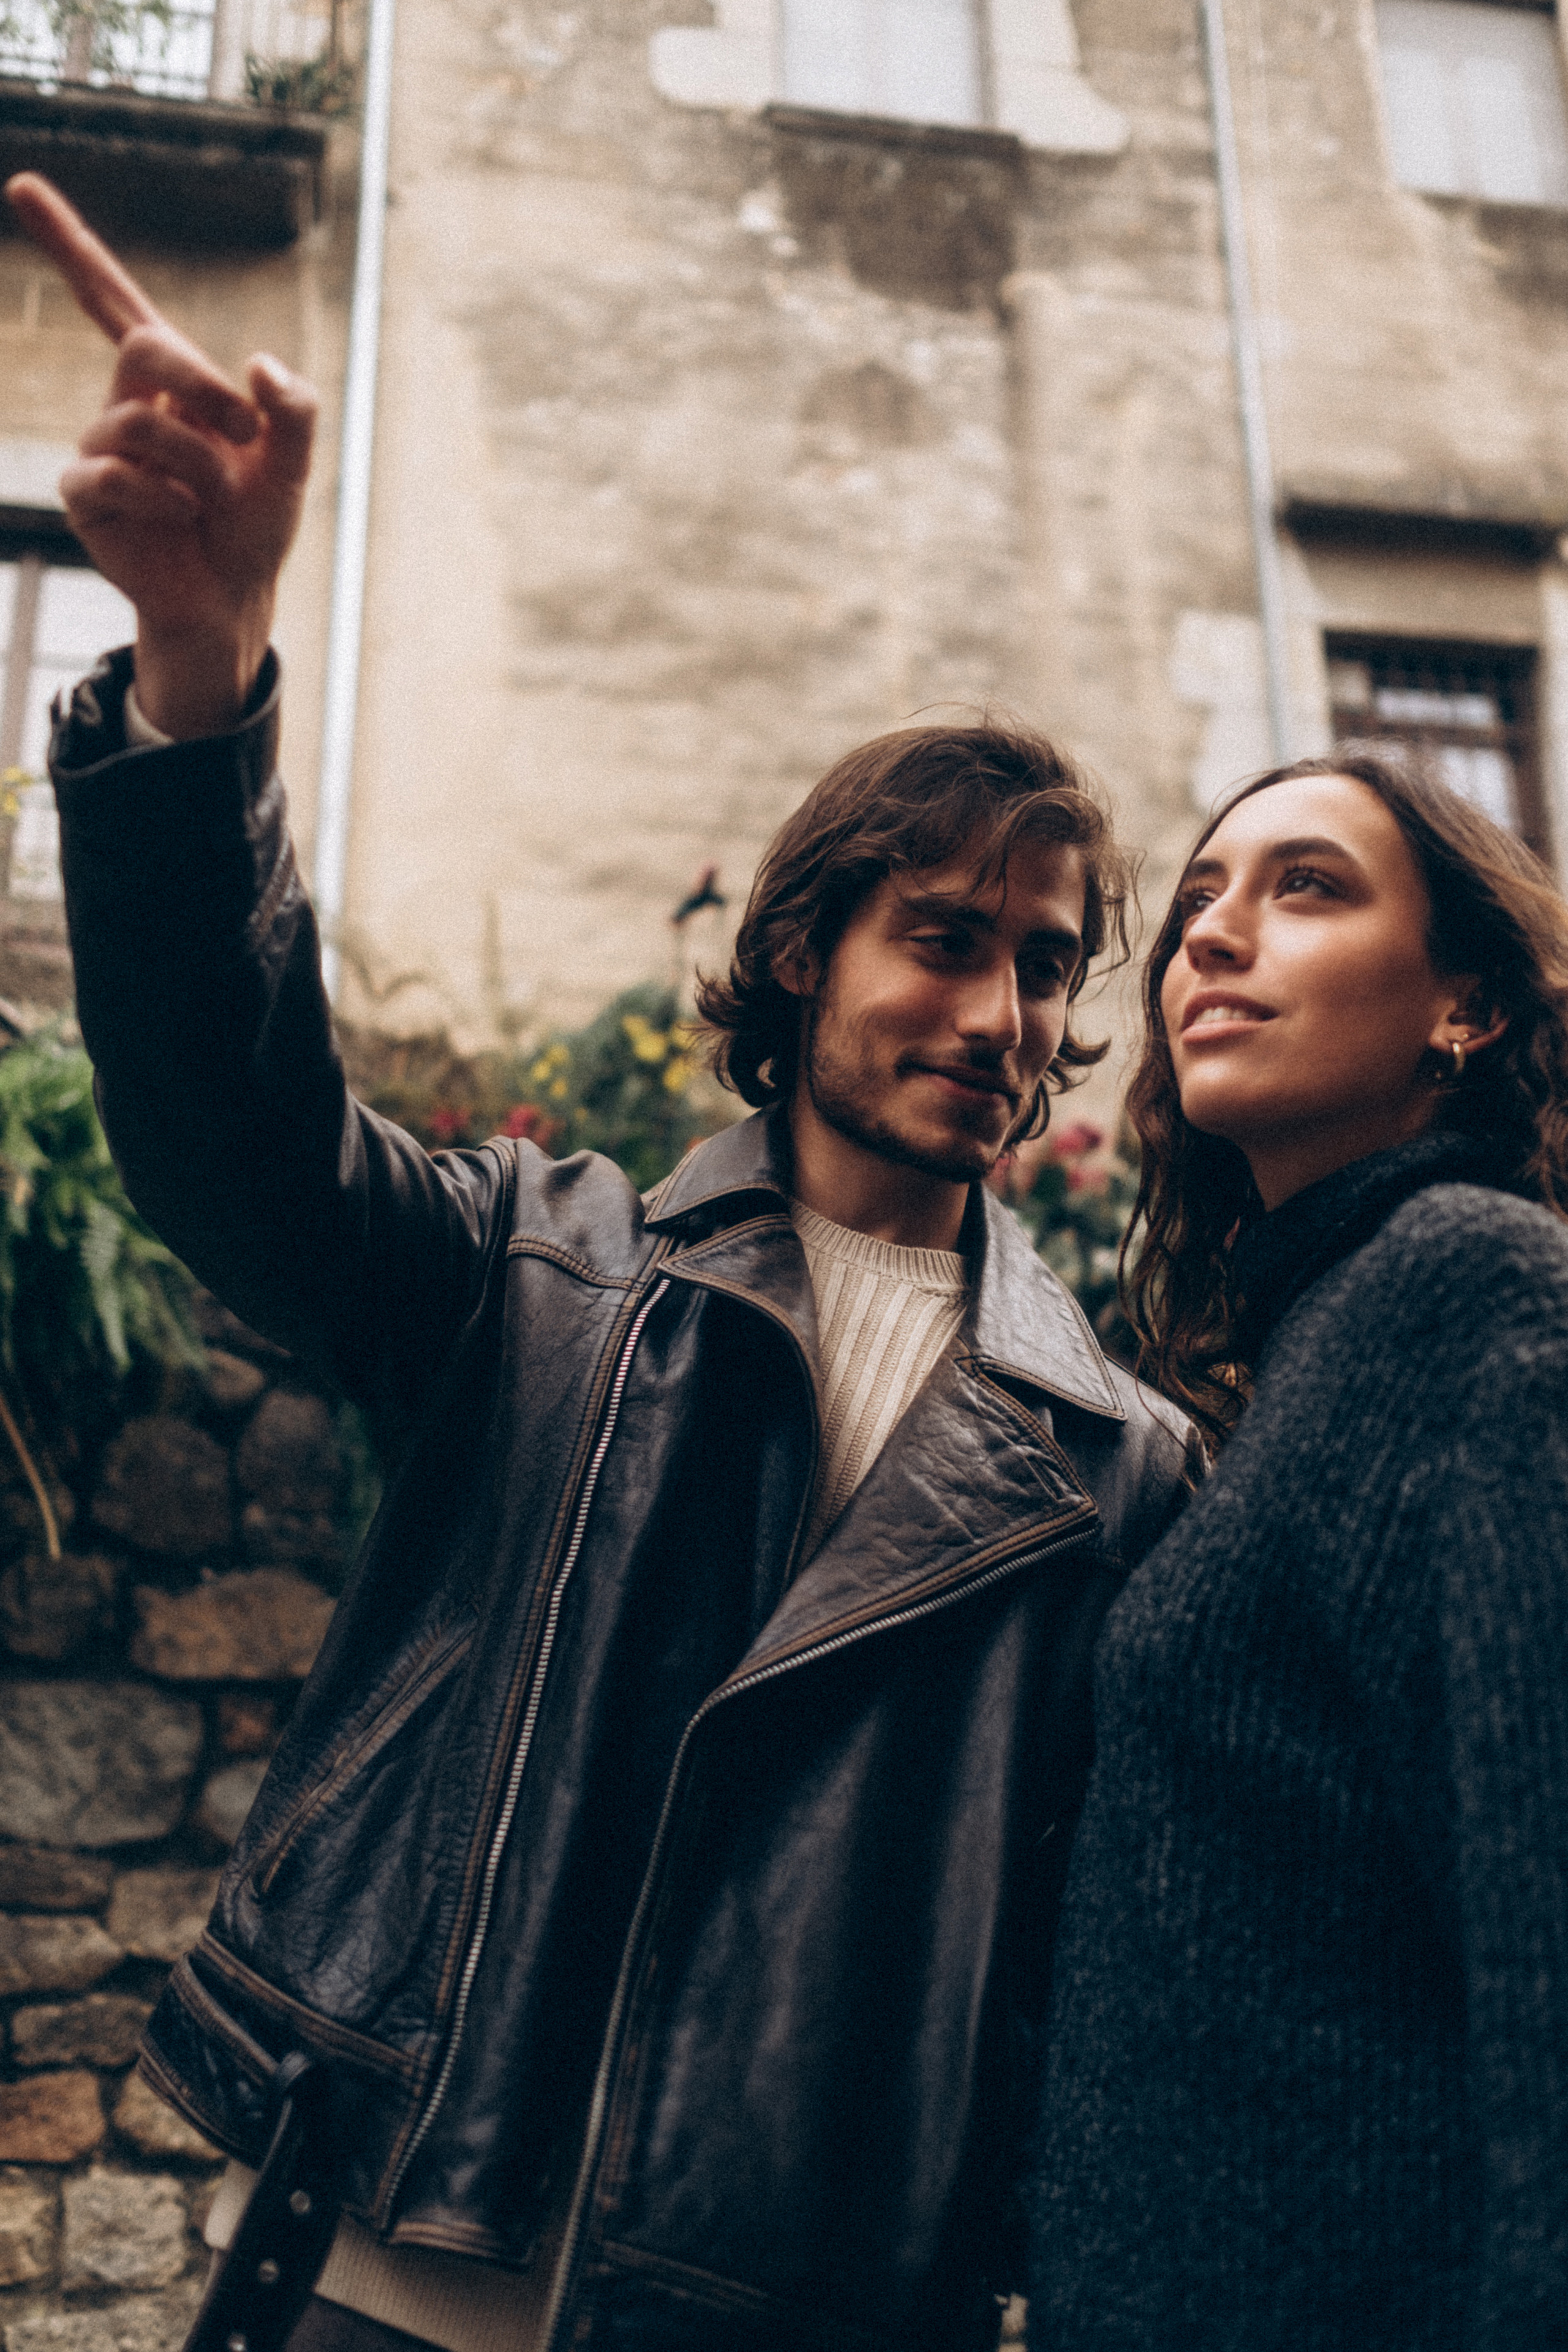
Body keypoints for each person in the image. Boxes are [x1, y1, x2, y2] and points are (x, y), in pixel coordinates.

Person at [6, 175, 1199, 2352]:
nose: (1007, 1016)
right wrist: (198, 666)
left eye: (1045, 966)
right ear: (800, 953)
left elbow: (1090, 1952)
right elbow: (231, 1138)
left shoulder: (1119, 1469)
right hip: (382, 2271)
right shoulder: (545, 1273)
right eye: (943, 938)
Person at [1027, 747, 1568, 2348]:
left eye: (1305, 886)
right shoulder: (1317, 1347)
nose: (1215, 932)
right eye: (1198, 899)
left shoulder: (1470, 1290)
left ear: (1461, 1008)